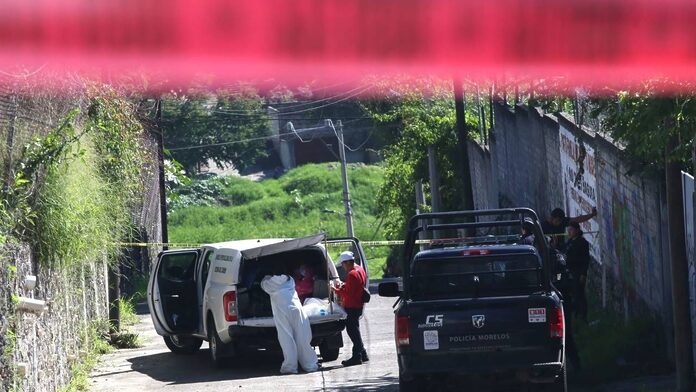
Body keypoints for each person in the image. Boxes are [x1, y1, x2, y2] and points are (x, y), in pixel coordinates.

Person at [260, 274, 319, 374]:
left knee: (286, 338)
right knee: (302, 338)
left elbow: (262, 285)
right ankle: (310, 365)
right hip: (297, 309)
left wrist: (265, 277)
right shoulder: (290, 279)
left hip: (282, 312)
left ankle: (290, 367)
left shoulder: (269, 283)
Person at [331, 251, 368, 366]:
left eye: (343, 264)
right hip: (358, 304)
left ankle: (357, 357)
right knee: (355, 330)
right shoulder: (360, 269)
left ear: (347, 262)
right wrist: (345, 285)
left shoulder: (352, 274)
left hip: (352, 305)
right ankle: (363, 353)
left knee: (352, 331)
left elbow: (348, 294)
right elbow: (354, 286)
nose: (342, 266)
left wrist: (335, 289)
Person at [564, 221, 590, 323]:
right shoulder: (570, 242)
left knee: (579, 294)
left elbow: (585, 260)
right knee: (572, 294)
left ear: (577, 230)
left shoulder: (582, 243)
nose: (569, 232)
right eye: (568, 230)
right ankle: (575, 314)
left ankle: (583, 317)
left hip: (577, 272)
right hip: (569, 272)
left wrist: (583, 274)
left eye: (571, 230)